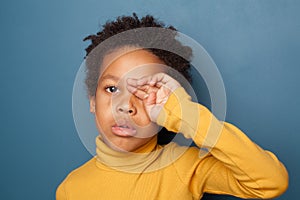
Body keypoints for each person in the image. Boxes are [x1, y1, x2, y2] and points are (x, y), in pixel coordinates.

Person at [56, 13, 288, 200]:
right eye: (112, 89)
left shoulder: (186, 167)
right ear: (92, 100)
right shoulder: (71, 189)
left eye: (143, 92)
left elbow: (271, 182)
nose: (126, 106)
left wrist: (184, 114)